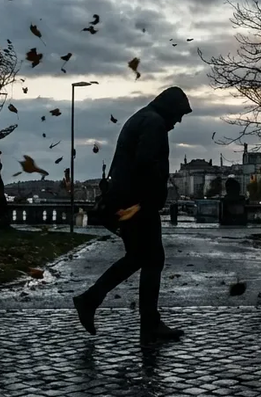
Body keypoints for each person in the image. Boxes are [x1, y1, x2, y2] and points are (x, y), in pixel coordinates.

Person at [72, 86, 192, 343]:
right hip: (137, 204)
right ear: (170, 109)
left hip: (129, 202)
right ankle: (144, 321)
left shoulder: (143, 118)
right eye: (179, 115)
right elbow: (146, 164)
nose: (178, 121)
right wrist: (149, 200)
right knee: (151, 259)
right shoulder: (154, 124)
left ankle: (92, 301)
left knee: (140, 258)